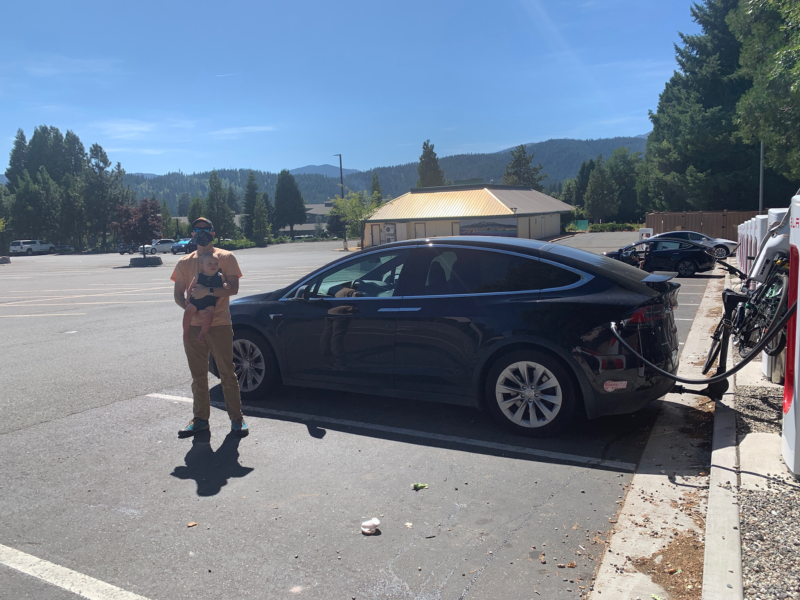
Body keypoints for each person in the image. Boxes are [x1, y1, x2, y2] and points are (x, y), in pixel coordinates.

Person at [171, 217, 248, 438]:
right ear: (192, 233)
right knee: (198, 377)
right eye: (198, 229)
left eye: (206, 229)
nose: (202, 232)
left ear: (213, 233)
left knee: (227, 373)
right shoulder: (184, 262)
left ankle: (237, 419)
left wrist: (209, 294)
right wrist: (189, 307)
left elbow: (233, 288)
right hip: (194, 327)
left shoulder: (225, 257)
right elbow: (178, 293)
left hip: (220, 323)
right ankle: (200, 420)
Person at [183, 252, 229, 343]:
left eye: (216, 263)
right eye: (210, 264)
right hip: (196, 301)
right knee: (188, 312)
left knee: (210, 314)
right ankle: (186, 331)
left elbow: (225, 284)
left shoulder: (220, 276)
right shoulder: (198, 276)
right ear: (202, 266)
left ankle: (203, 333)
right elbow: (190, 287)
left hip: (210, 302)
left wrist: (226, 285)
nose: (213, 266)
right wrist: (188, 298)